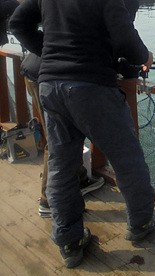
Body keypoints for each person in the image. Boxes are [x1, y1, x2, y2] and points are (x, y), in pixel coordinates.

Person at [9, 0, 155, 269]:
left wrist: (49, 52)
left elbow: (18, 23)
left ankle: (69, 241)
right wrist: (144, 57)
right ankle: (140, 222)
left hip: (51, 88)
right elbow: (125, 40)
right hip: (91, 89)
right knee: (127, 157)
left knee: (62, 164)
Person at [20, 51, 105, 217]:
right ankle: (48, 200)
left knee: (66, 133)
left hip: (35, 71)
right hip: (47, 78)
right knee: (55, 140)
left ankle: (80, 178)